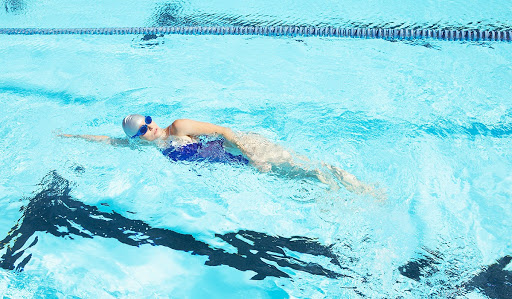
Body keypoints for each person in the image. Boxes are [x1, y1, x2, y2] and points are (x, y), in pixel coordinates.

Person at [60, 114, 382, 197]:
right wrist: (72, 136)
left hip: (244, 148)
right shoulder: (153, 147)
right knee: (300, 177)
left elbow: (226, 132)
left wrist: (252, 156)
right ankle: (346, 189)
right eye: (142, 129)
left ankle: (362, 187)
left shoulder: (177, 127)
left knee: (303, 166)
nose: (150, 127)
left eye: (148, 121)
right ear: (137, 139)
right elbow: (110, 141)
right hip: (236, 162)